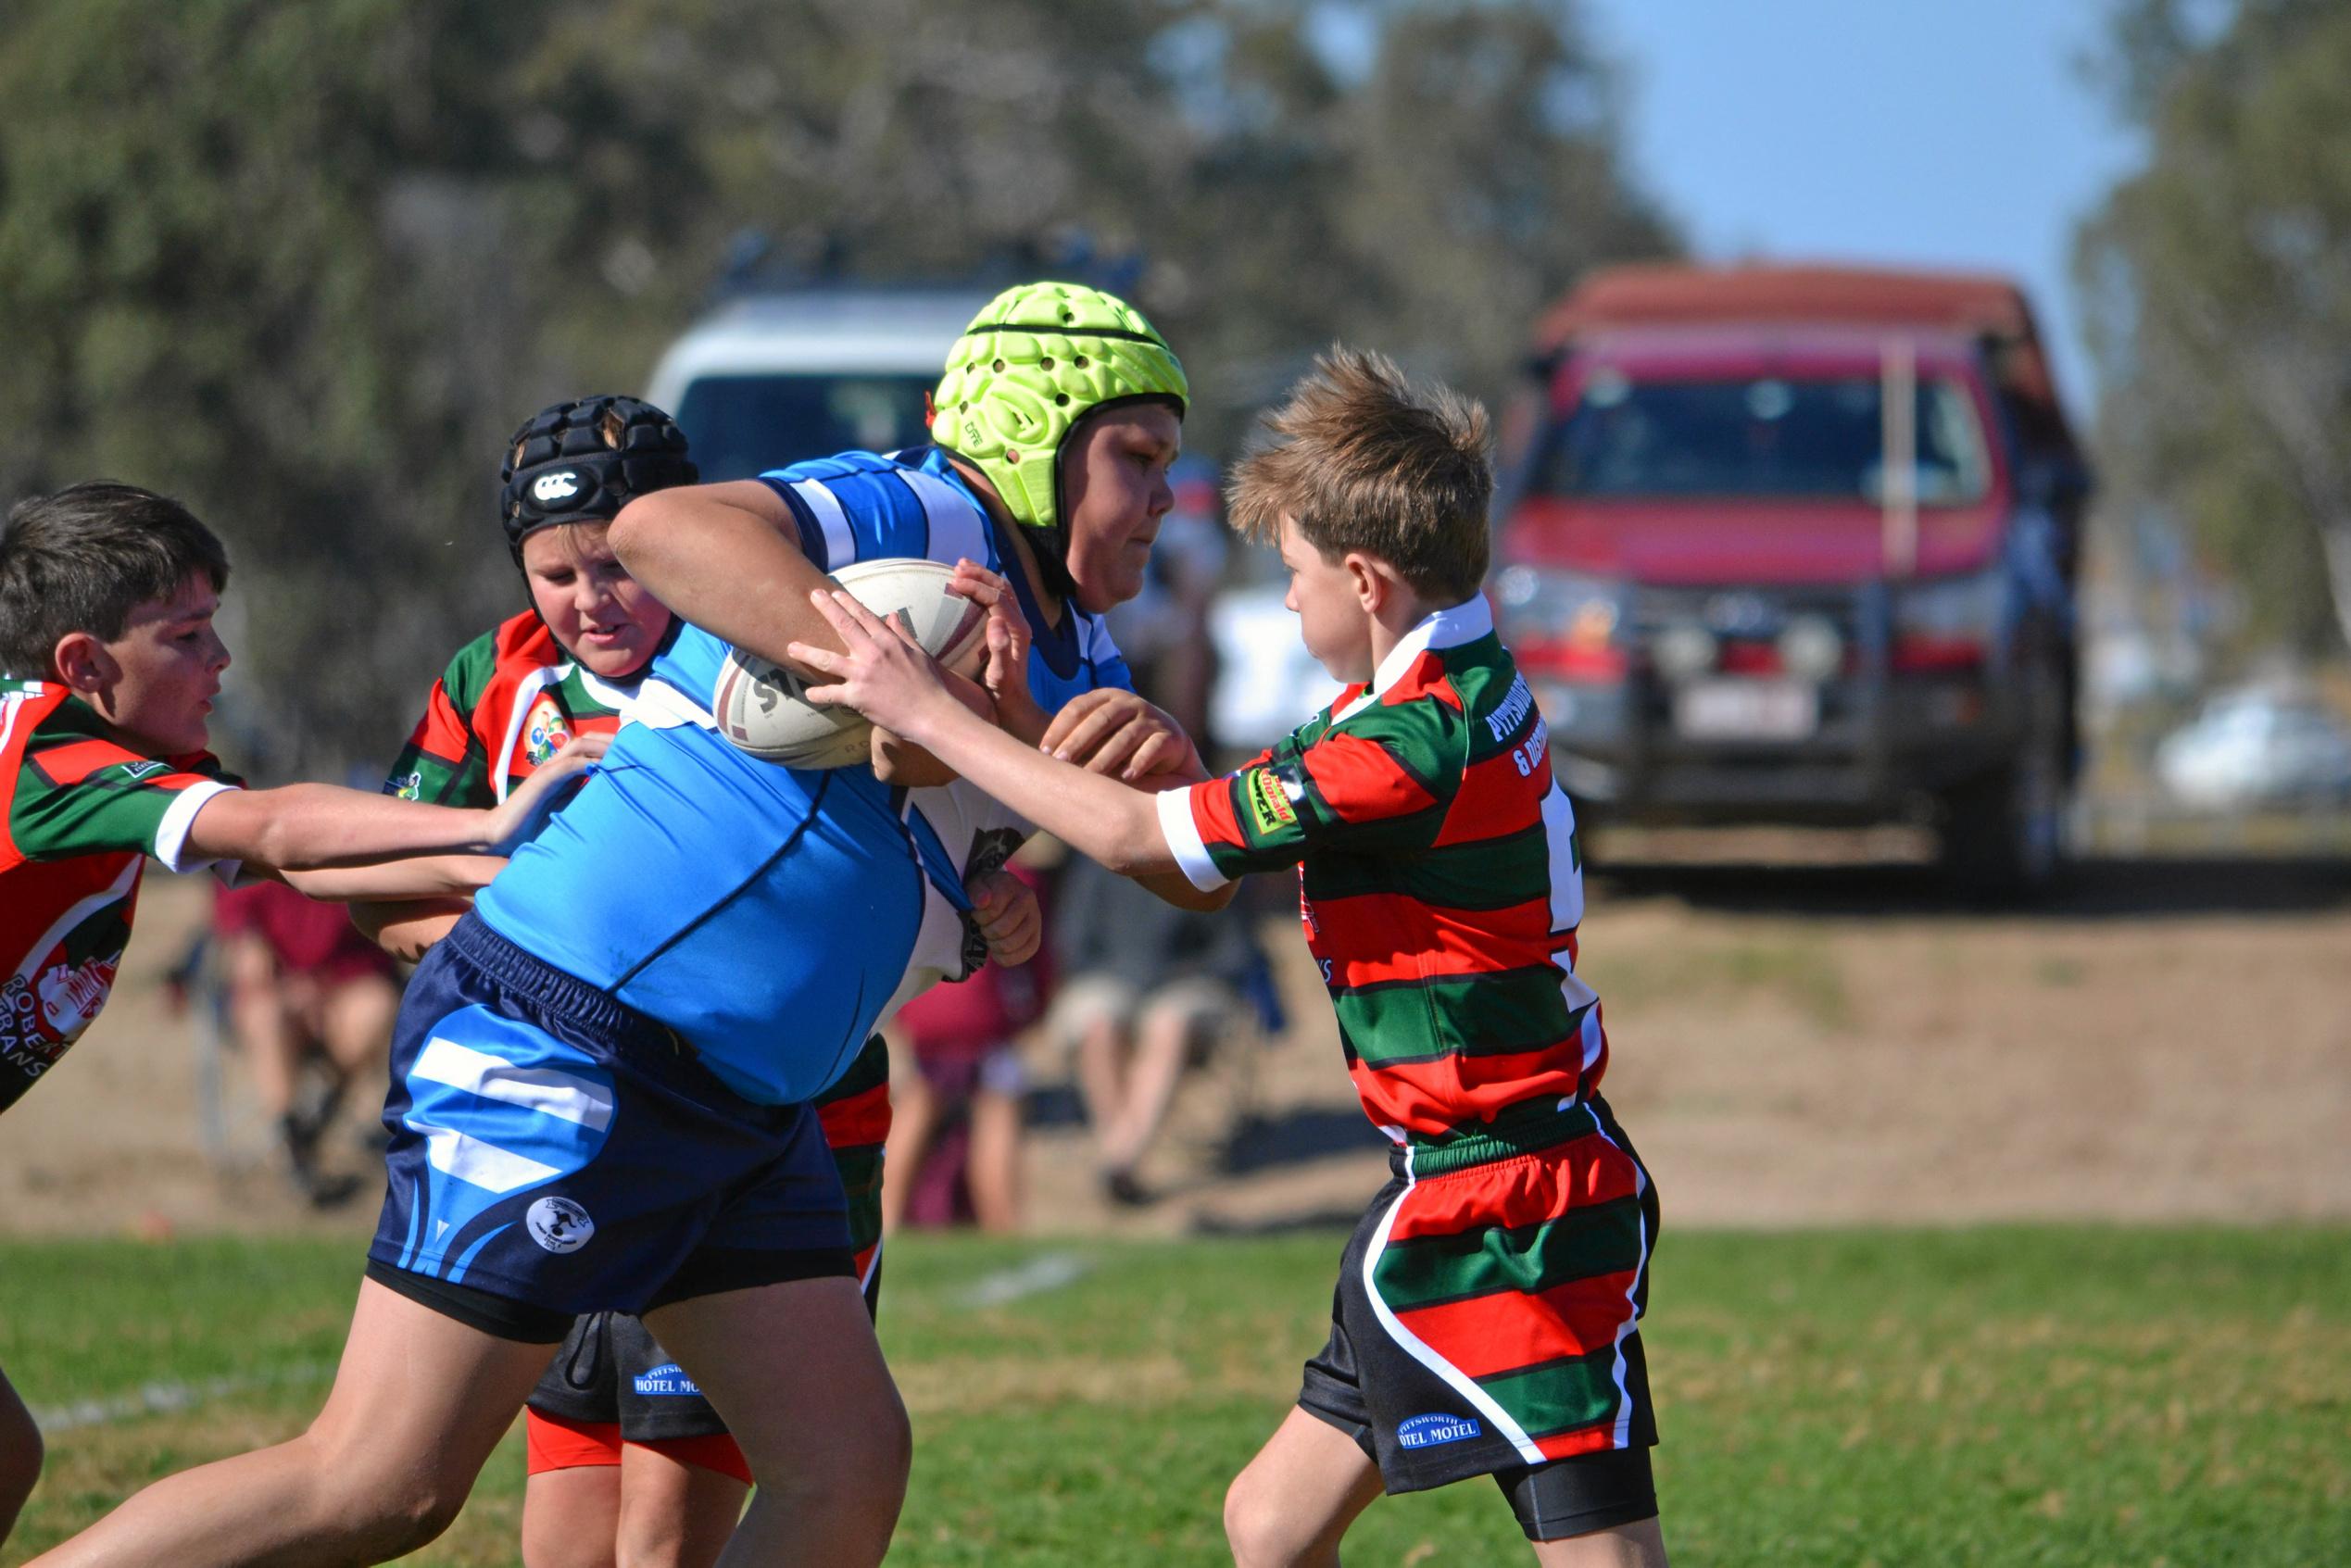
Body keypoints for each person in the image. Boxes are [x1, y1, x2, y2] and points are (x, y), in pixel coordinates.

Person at [30, 282, 1216, 1568]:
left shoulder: (1084, 652)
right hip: (577, 1032)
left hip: (747, 1103)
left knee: (846, 1466)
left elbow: (1183, 867)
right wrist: (911, 691)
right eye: (1136, 458)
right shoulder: (912, 508)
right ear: (1033, 436)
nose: (1162, 494)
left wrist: (1106, 786)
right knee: (382, 1484)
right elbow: (663, 529)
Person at [791, 346, 1668, 1566]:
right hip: (1451, 1185)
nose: (1289, 600)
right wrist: (1050, 729)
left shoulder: (1412, 738)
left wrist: (926, 712)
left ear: (1363, 579)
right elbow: (1189, 826)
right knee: (1268, 1523)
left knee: (1600, 1553)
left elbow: (1133, 832)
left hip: (1509, 1202)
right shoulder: (1438, 691)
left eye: (1295, 574)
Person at [0, 481, 593, 1550]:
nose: (222, 658)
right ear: (85, 664)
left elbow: (298, 858)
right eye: (188, 635)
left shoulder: (112, 755)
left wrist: (509, 869)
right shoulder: (49, 757)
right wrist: (494, 816)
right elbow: (276, 825)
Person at [882, 859, 1052, 1234]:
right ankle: (1003, 1225)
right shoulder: (1018, 878)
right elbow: (1037, 963)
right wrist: (1024, 1014)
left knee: (920, 1108)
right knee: (995, 1110)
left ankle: (886, 1220)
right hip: (977, 1022)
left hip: (926, 1018)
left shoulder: (917, 860)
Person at [212, 876, 402, 1206]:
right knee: (265, 1013)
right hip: (278, 995)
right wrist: (284, 981)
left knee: (376, 1006)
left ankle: (319, 1111)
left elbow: (374, 952)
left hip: (343, 988)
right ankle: (292, 1140)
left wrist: (323, 986)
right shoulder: (252, 862)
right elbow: (245, 951)